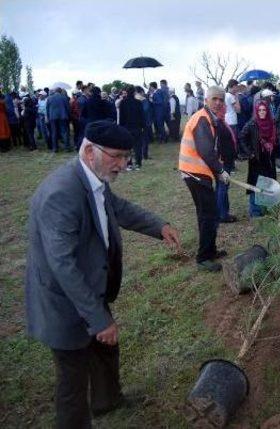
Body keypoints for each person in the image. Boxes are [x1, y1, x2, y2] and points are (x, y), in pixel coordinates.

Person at [25, 120, 181, 428]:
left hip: (89, 288)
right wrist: (98, 319)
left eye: (126, 157)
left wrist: (159, 225)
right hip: (65, 301)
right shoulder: (62, 193)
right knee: (73, 377)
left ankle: (107, 401)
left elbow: (118, 208)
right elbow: (63, 266)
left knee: (106, 349)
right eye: (117, 156)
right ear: (88, 150)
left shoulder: (94, 179)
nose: (123, 165)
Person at [178, 86, 232, 272]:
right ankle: (203, 257)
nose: (218, 102)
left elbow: (211, 149)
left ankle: (211, 250)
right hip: (195, 173)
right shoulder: (202, 118)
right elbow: (206, 151)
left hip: (200, 173)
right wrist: (220, 170)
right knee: (208, 215)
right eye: (215, 99)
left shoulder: (209, 118)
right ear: (206, 99)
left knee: (210, 214)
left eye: (221, 100)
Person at [239, 100, 277, 217]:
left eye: (264, 110)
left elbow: (275, 140)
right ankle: (255, 211)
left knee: (267, 182)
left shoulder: (271, 123)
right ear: (256, 111)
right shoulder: (252, 123)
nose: (262, 112)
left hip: (268, 157)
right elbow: (241, 137)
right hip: (256, 159)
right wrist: (250, 153)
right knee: (255, 184)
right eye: (259, 110)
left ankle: (264, 208)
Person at [119, 85, 145, 170]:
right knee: (138, 146)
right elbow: (142, 116)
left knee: (127, 147)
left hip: (126, 127)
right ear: (134, 92)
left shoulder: (123, 102)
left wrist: (121, 127)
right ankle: (138, 164)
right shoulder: (138, 102)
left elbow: (121, 117)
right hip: (137, 127)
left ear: (126, 92)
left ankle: (129, 164)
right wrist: (143, 126)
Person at [46, 88, 72, 152]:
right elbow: (67, 108)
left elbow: (47, 109)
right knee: (64, 132)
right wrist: (69, 116)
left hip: (53, 117)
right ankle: (66, 148)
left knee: (54, 132)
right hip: (63, 117)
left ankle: (55, 148)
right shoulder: (64, 98)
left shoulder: (49, 98)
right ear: (60, 91)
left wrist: (48, 117)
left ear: (55, 91)